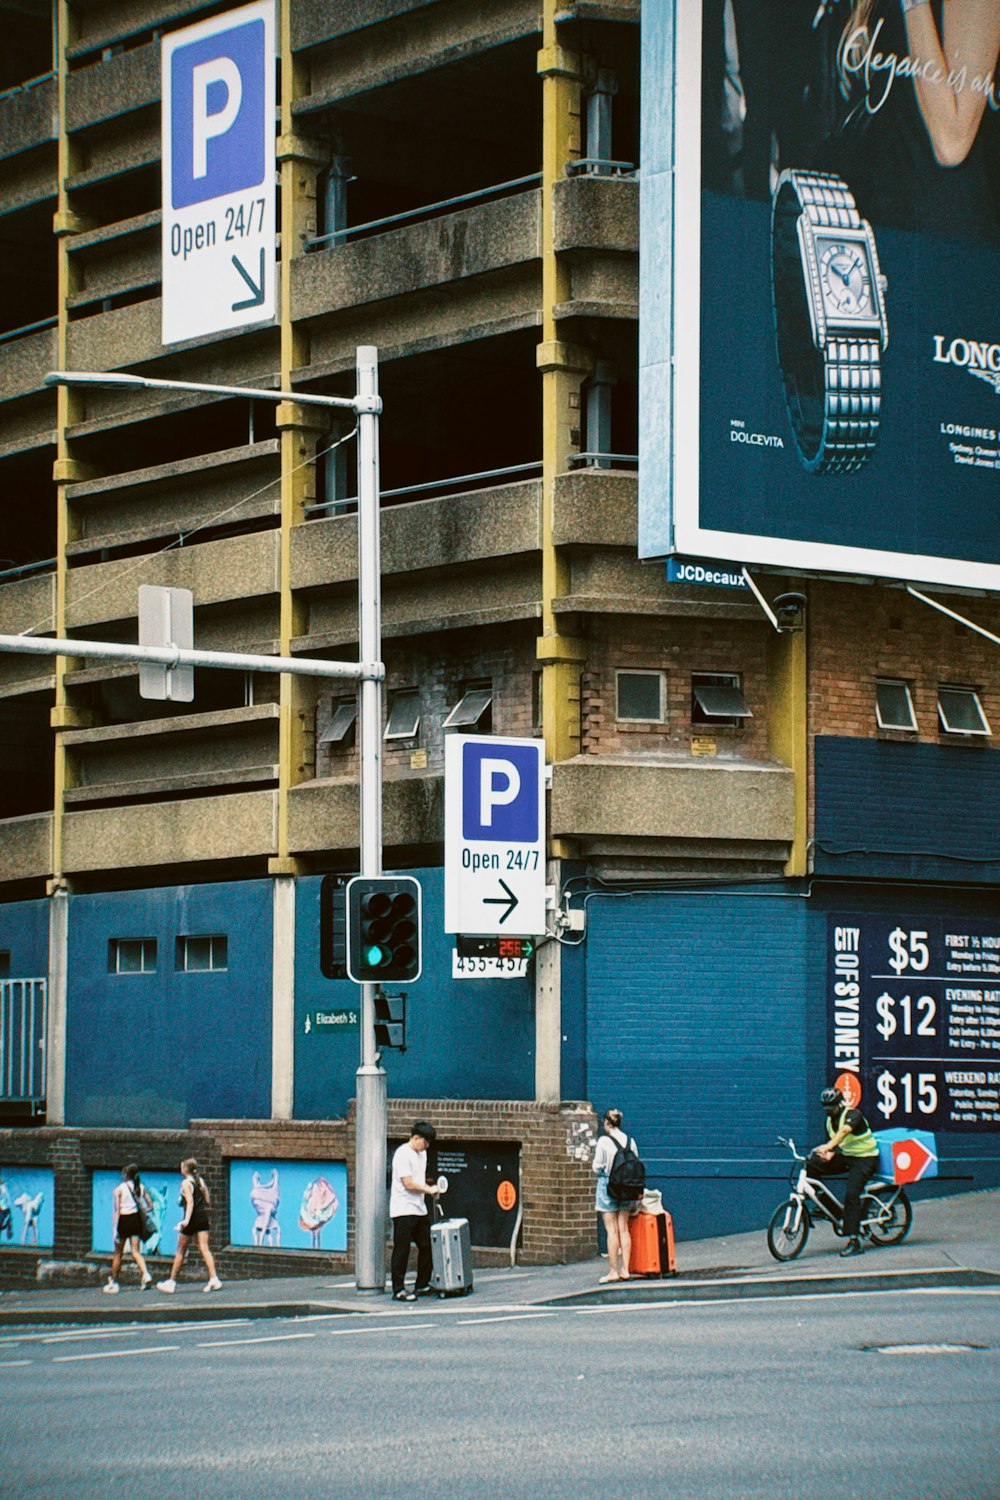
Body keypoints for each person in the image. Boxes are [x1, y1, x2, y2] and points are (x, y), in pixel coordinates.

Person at [808, 1086, 881, 1257]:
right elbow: (834, 1144)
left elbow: (843, 1133)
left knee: (851, 1194)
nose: (828, 1110)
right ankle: (825, 1206)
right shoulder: (829, 1121)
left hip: (865, 1158)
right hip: (847, 1156)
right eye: (825, 1107)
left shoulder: (853, 1115)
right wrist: (827, 1154)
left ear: (839, 1104)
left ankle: (855, 1241)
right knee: (811, 1165)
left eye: (831, 1107)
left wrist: (828, 1147)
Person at [389, 1122, 444, 1302]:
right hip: (403, 1208)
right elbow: (409, 1183)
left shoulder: (423, 1154)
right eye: (425, 1142)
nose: (427, 1146)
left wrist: (429, 1186)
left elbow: (418, 1178)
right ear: (416, 1138)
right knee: (402, 1248)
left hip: (419, 1208)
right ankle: (398, 1289)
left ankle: (422, 1284)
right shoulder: (402, 1154)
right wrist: (429, 1190)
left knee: (427, 1245)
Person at [157, 1158, 222, 1293]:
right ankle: (214, 1278)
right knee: (205, 1248)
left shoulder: (185, 1183)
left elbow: (190, 1202)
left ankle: (171, 1282)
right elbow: (208, 1200)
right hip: (202, 1217)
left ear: (185, 1169)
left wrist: (186, 1221)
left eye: (182, 1166)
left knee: (180, 1250)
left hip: (191, 1219)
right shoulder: (200, 1181)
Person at [592, 1109, 639, 1283]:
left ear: (606, 1122)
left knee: (611, 1230)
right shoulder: (630, 1141)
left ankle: (613, 1271)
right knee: (624, 1228)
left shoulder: (604, 1141)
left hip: (608, 1186)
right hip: (627, 1187)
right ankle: (625, 1269)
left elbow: (597, 1165)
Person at [104, 1163, 153, 1294]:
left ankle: (114, 1282)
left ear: (125, 1174)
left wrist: (115, 1229)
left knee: (118, 1253)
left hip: (124, 1221)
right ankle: (146, 1274)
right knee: (135, 1251)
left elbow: (116, 1211)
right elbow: (150, 1206)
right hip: (136, 1219)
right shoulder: (141, 1188)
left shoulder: (119, 1189)